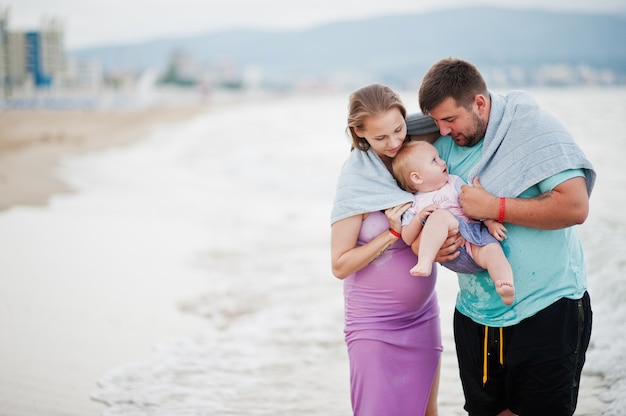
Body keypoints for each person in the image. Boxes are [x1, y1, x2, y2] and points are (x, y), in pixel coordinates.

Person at [410, 57, 596, 416]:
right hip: (476, 315)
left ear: (480, 103)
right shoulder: (439, 149)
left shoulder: (533, 129)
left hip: (547, 308)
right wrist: (430, 246)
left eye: (450, 119)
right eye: (436, 122)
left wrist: (494, 206)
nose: (444, 130)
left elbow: (575, 206)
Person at [330, 83, 442, 416]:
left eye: (399, 129)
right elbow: (339, 265)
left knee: (427, 411)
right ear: (359, 133)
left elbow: (449, 123)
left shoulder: (415, 152)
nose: (394, 143)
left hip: (422, 316)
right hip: (374, 326)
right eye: (381, 138)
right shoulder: (356, 181)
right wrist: (390, 233)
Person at [392, 140, 514, 305]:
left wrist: (490, 223)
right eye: (434, 160)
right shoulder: (414, 204)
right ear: (416, 177)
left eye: (439, 157)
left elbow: (476, 205)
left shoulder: (453, 182)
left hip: (473, 236)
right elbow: (407, 238)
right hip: (451, 255)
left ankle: (505, 284)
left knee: (493, 250)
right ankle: (424, 263)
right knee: (440, 217)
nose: (442, 162)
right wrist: (419, 218)